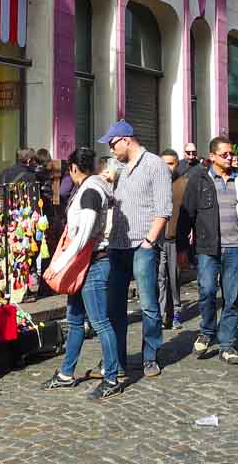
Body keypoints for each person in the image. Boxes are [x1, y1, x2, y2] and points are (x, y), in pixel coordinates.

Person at [42, 147, 122, 399]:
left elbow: (84, 235)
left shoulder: (90, 191)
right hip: (85, 263)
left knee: (99, 322)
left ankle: (112, 378)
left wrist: (58, 265)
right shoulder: (93, 187)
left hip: (93, 262)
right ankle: (66, 373)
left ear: (75, 168)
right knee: (75, 319)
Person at [99, 120, 171, 378]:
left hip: (142, 244)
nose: (110, 149)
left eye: (112, 144)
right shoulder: (118, 167)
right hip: (117, 246)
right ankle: (115, 359)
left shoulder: (155, 165)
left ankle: (150, 356)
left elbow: (164, 210)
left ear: (126, 140)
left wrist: (149, 241)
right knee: (114, 306)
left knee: (149, 304)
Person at [181, 136, 238, 365]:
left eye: (231, 154)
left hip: (235, 247)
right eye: (224, 154)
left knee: (232, 297)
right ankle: (206, 330)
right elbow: (187, 214)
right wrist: (183, 248)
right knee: (206, 291)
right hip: (207, 247)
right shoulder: (199, 180)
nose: (230, 157)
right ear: (212, 156)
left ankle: (227, 344)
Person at [158, 148, 186, 329]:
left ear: (177, 164)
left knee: (174, 278)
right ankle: (161, 315)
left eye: (170, 163)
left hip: (176, 240)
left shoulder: (183, 184)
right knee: (160, 278)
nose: (167, 167)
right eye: (164, 163)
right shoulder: (156, 184)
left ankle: (176, 311)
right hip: (158, 239)